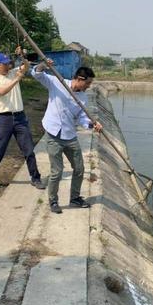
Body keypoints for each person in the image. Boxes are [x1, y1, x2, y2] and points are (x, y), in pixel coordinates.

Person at [31, 63, 102, 214]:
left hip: (70, 136)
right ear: (79, 79)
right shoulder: (57, 82)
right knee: (57, 171)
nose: (89, 86)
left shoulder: (82, 98)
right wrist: (43, 65)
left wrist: (92, 125)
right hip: (53, 135)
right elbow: (36, 74)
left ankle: (75, 198)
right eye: (88, 83)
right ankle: (53, 201)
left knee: (79, 168)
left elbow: (82, 118)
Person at [0, 48, 45, 189]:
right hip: (4, 119)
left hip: (20, 118)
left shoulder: (14, 72)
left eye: (8, 63)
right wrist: (17, 78)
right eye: (4, 63)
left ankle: (35, 178)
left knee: (28, 150)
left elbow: (26, 66)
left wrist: (22, 56)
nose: (7, 66)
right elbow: (2, 91)